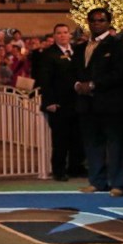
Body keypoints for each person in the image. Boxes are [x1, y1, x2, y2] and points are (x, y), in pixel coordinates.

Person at [75, 8, 123, 197]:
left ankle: (119, 184)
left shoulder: (118, 45)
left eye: (100, 20)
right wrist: (77, 84)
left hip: (112, 103)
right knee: (92, 144)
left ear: (109, 22)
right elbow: (74, 71)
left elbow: (119, 73)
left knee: (116, 144)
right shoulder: (82, 47)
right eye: (92, 20)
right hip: (88, 103)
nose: (96, 23)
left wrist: (93, 84)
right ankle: (97, 181)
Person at [36, 24, 84, 181]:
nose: (63, 35)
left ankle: (76, 167)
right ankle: (59, 170)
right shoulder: (48, 54)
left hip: (77, 102)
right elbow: (45, 80)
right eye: (59, 33)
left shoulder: (77, 51)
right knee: (60, 139)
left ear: (69, 35)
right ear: (54, 36)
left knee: (77, 137)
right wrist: (49, 101)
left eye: (65, 32)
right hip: (59, 103)